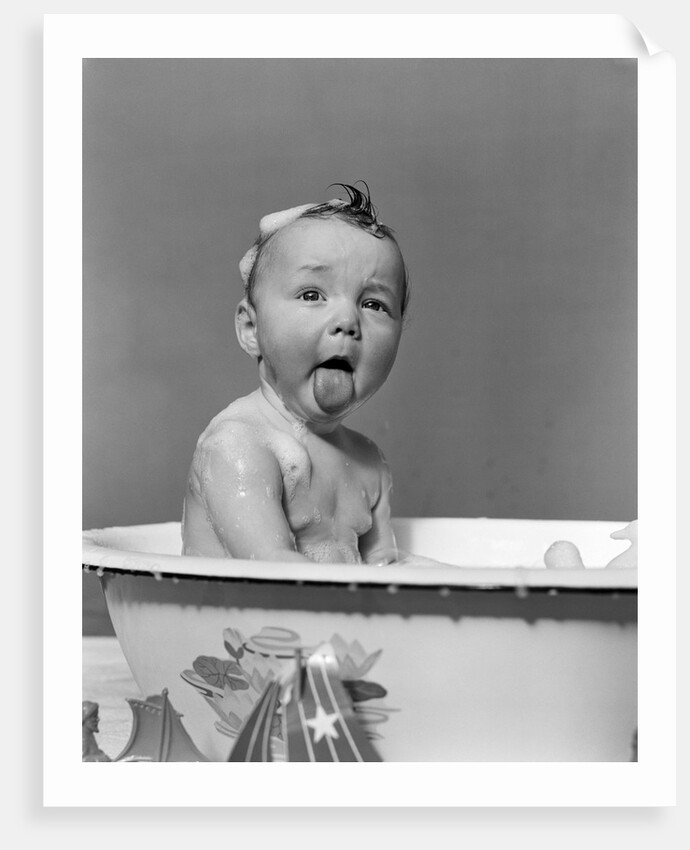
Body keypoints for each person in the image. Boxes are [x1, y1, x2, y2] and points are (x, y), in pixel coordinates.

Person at [182, 184, 409, 564]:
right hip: (239, 623)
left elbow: (387, 569)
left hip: (329, 623)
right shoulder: (237, 447)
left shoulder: (369, 463)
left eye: (374, 304)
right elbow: (274, 571)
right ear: (252, 330)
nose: (347, 321)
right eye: (312, 295)